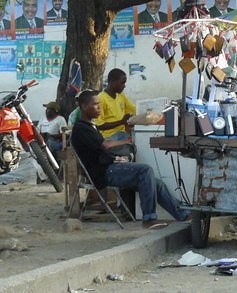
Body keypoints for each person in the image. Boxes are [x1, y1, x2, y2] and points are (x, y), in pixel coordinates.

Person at [70, 90, 189, 229]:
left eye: (99, 104)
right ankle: (149, 219)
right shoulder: (81, 128)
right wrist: (127, 141)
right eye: (95, 105)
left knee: (156, 183)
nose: (99, 108)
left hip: (107, 166)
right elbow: (105, 145)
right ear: (84, 107)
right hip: (102, 173)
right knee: (145, 171)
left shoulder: (90, 125)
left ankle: (183, 215)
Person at [96, 68, 136, 140]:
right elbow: (99, 125)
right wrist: (121, 122)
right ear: (112, 82)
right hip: (108, 137)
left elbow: (134, 109)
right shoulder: (101, 98)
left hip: (122, 134)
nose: (124, 86)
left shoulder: (121, 96)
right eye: (122, 83)